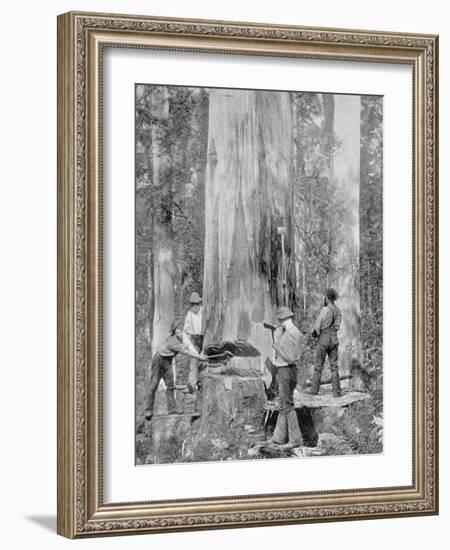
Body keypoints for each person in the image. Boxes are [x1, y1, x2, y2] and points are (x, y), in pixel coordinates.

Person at [144, 321, 207, 421]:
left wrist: (199, 356)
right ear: (174, 331)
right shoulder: (173, 341)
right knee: (153, 385)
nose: (180, 332)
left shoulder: (181, 338)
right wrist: (200, 357)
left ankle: (172, 410)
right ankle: (148, 410)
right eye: (178, 330)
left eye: (181, 330)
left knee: (170, 386)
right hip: (158, 360)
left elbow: (190, 347)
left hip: (168, 361)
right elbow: (187, 352)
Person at [269, 306, 303, 448]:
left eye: (280, 320)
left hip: (285, 371)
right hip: (292, 371)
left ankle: (296, 439)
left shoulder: (289, 335)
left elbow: (290, 357)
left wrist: (277, 347)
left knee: (287, 406)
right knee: (284, 404)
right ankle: (278, 438)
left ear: (283, 319)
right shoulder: (296, 332)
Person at [310, 288, 342, 397]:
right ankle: (337, 392)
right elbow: (337, 326)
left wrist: (315, 333)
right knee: (334, 366)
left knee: (318, 365)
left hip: (324, 338)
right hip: (334, 338)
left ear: (327, 298)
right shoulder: (338, 311)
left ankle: (314, 390)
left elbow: (318, 324)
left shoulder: (325, 309)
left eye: (325, 297)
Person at [183, 292, 204, 393]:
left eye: (196, 304)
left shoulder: (204, 311)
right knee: (194, 361)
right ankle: (191, 384)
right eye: (192, 304)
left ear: (199, 304)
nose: (194, 307)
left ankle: (201, 380)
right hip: (196, 339)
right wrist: (194, 333)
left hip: (205, 337)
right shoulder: (189, 314)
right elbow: (186, 329)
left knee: (205, 360)